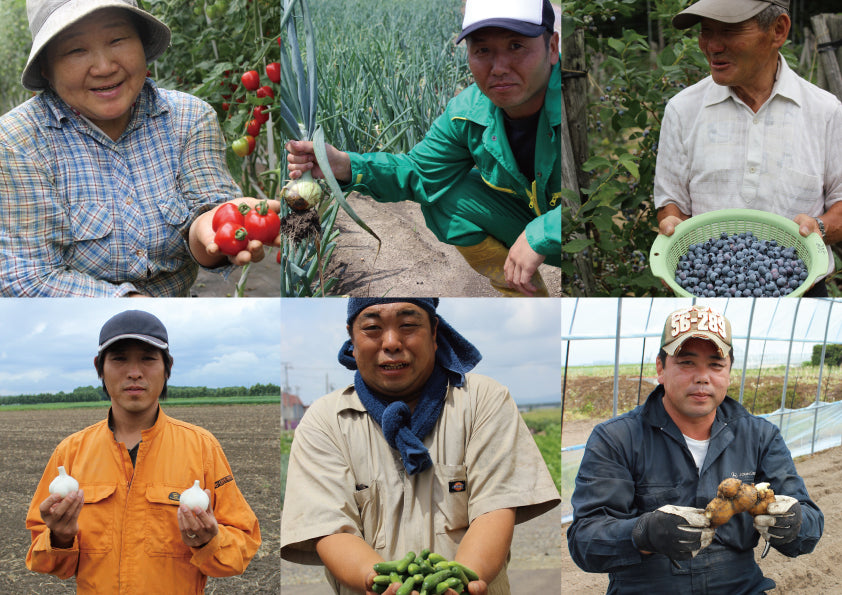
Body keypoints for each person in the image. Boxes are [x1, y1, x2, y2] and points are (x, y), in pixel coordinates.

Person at [0, 0, 279, 297]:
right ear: (46, 67)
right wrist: (133, 306)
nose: (105, 67)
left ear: (142, 44)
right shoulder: (18, 142)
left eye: (118, 40)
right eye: (75, 50)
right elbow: (27, 276)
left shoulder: (190, 118)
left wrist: (210, 228)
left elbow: (209, 214)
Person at [281, 298, 560, 595]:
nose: (391, 342)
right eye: (373, 328)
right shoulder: (326, 420)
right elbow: (330, 528)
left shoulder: (484, 401)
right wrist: (378, 583)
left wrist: (462, 582)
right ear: (352, 337)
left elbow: (495, 509)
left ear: (434, 331)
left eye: (409, 325)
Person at [285, 0, 561, 297]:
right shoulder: (468, 112)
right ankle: (525, 295)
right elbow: (420, 173)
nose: (499, 68)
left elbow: (608, 201)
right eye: (483, 50)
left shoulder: (581, 107)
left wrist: (542, 233)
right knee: (445, 197)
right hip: (533, 217)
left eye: (516, 46)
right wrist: (344, 165)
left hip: (581, 234)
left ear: (553, 47)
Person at [567, 305, 823, 593]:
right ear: (661, 369)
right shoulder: (616, 438)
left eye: (715, 365)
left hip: (738, 586)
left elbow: (810, 525)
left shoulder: (759, 435)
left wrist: (793, 521)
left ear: (728, 371)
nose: (702, 377)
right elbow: (585, 540)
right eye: (687, 363)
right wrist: (644, 533)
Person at [25, 310, 261, 593]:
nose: (134, 372)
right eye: (119, 358)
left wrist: (208, 541)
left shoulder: (202, 448)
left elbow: (242, 545)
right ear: (100, 367)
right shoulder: (71, 452)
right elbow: (44, 559)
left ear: (167, 366)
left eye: (148, 358)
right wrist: (60, 537)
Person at [653, 0, 842, 296]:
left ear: (778, 30)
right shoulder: (682, 110)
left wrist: (818, 227)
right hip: (707, 291)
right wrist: (672, 227)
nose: (712, 46)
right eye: (705, 31)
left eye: (729, 31)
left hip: (802, 291)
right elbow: (671, 204)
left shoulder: (826, 112)